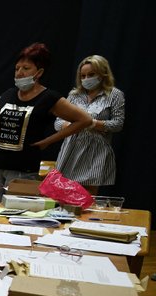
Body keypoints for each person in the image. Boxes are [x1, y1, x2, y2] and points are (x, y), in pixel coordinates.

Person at [0, 42, 91, 209]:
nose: (19, 73)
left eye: (26, 69)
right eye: (17, 68)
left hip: (23, 167)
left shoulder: (48, 98)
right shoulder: (8, 94)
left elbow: (84, 120)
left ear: (39, 72)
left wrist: (49, 140)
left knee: (15, 217)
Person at [54, 55, 125, 195]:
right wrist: (71, 125)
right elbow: (57, 122)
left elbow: (118, 124)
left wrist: (90, 123)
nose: (86, 79)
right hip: (71, 150)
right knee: (63, 197)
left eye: (91, 74)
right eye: (83, 76)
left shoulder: (114, 95)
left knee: (87, 200)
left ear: (103, 73)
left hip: (96, 151)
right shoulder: (74, 95)